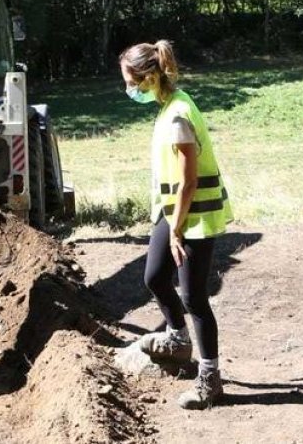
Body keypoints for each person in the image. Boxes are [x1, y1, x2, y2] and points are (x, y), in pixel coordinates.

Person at [120, 40, 233, 410]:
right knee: (154, 277)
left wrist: (177, 230)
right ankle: (178, 341)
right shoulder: (167, 106)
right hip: (174, 213)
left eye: (131, 81)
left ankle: (210, 379)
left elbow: (188, 180)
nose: (129, 89)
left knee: (194, 297)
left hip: (194, 217)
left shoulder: (179, 112)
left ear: (149, 77)